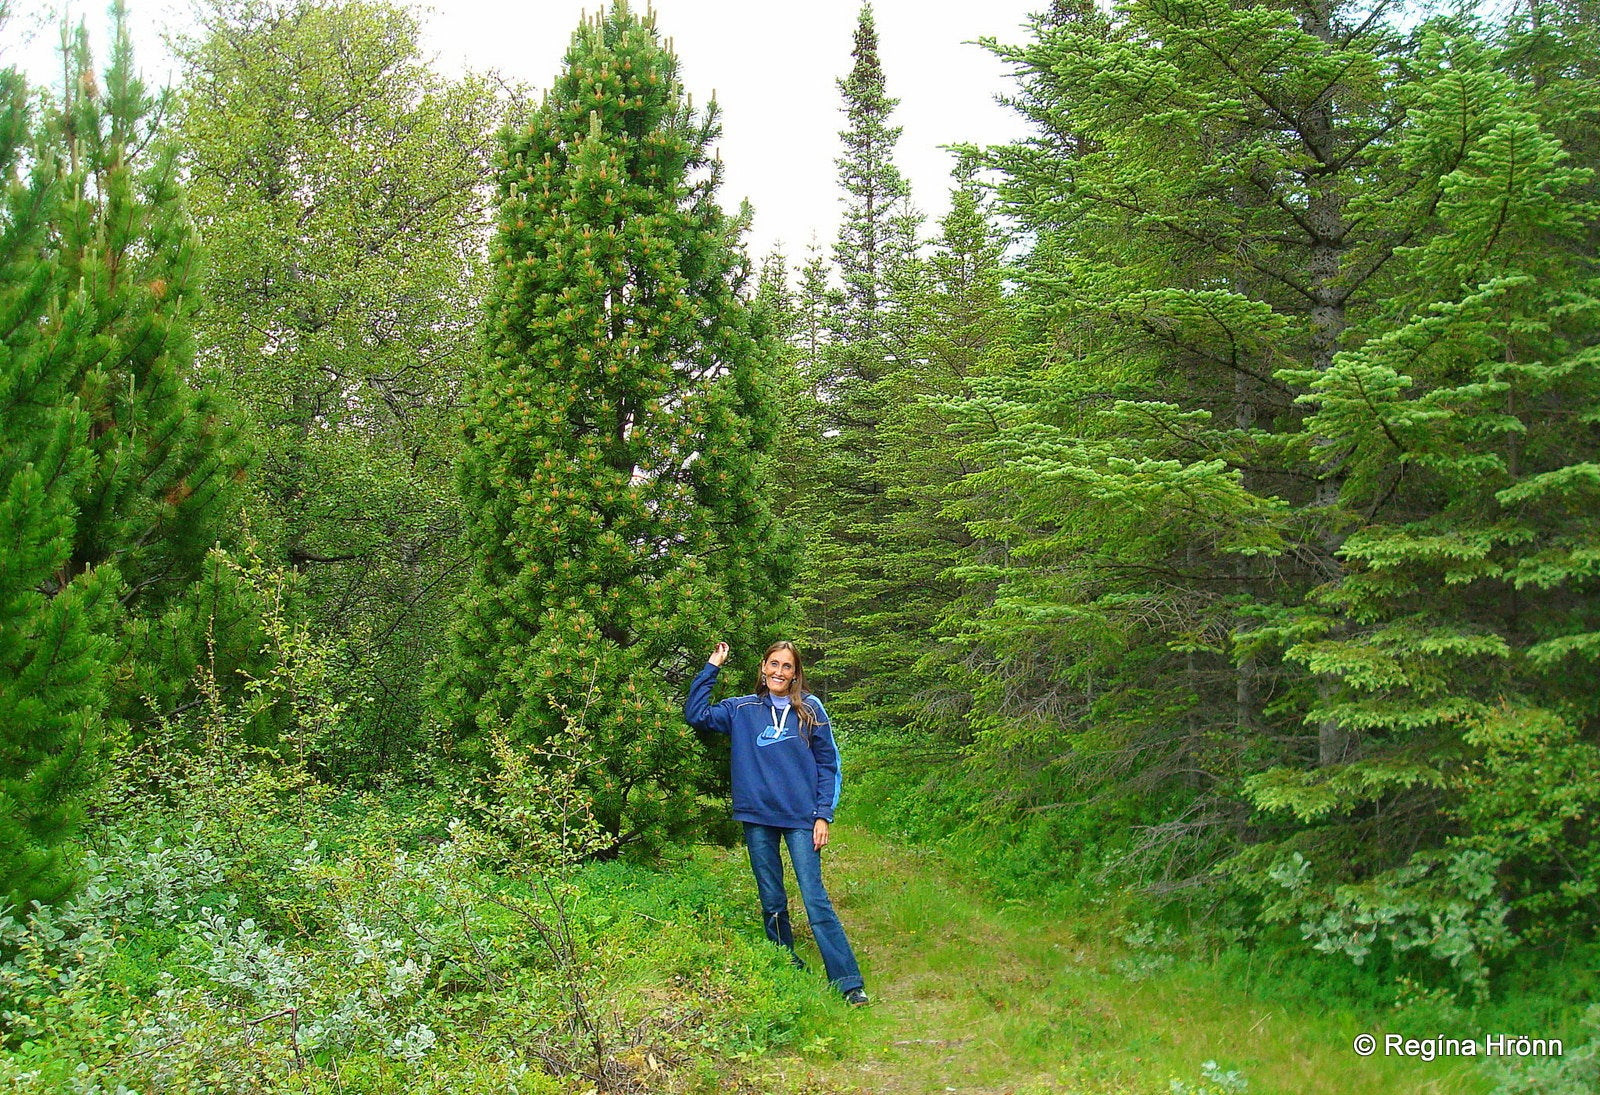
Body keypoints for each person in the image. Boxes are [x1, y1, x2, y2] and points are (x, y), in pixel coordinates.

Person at [684, 640, 869, 1006]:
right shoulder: (742, 709)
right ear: (763, 668)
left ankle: (848, 982)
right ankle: (784, 963)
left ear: (796, 674)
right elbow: (696, 715)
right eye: (774, 664)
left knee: (815, 899)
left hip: (801, 819)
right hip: (757, 817)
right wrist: (712, 667)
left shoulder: (811, 710)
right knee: (771, 899)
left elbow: (828, 765)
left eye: (787, 667)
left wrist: (823, 815)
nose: (779, 672)